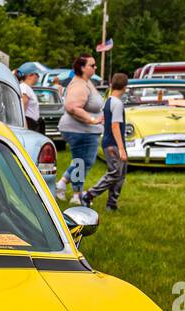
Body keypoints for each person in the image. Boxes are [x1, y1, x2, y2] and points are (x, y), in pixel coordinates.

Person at [54, 54, 104, 205]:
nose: (95, 67)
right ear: (82, 68)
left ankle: (62, 185)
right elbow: (72, 107)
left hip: (84, 130)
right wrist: (92, 120)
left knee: (82, 162)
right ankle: (77, 196)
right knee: (82, 163)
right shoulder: (79, 85)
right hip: (79, 130)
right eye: (92, 65)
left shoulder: (85, 82)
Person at [83, 73, 129, 211]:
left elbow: (105, 118)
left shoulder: (109, 100)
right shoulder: (117, 103)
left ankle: (112, 204)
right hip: (113, 143)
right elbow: (115, 126)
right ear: (125, 87)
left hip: (109, 142)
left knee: (120, 174)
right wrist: (121, 149)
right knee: (115, 173)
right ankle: (89, 195)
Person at [18, 68, 42, 134]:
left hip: (33, 124)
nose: (38, 77)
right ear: (30, 75)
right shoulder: (24, 87)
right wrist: (25, 128)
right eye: (37, 74)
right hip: (29, 124)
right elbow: (23, 109)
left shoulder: (27, 88)